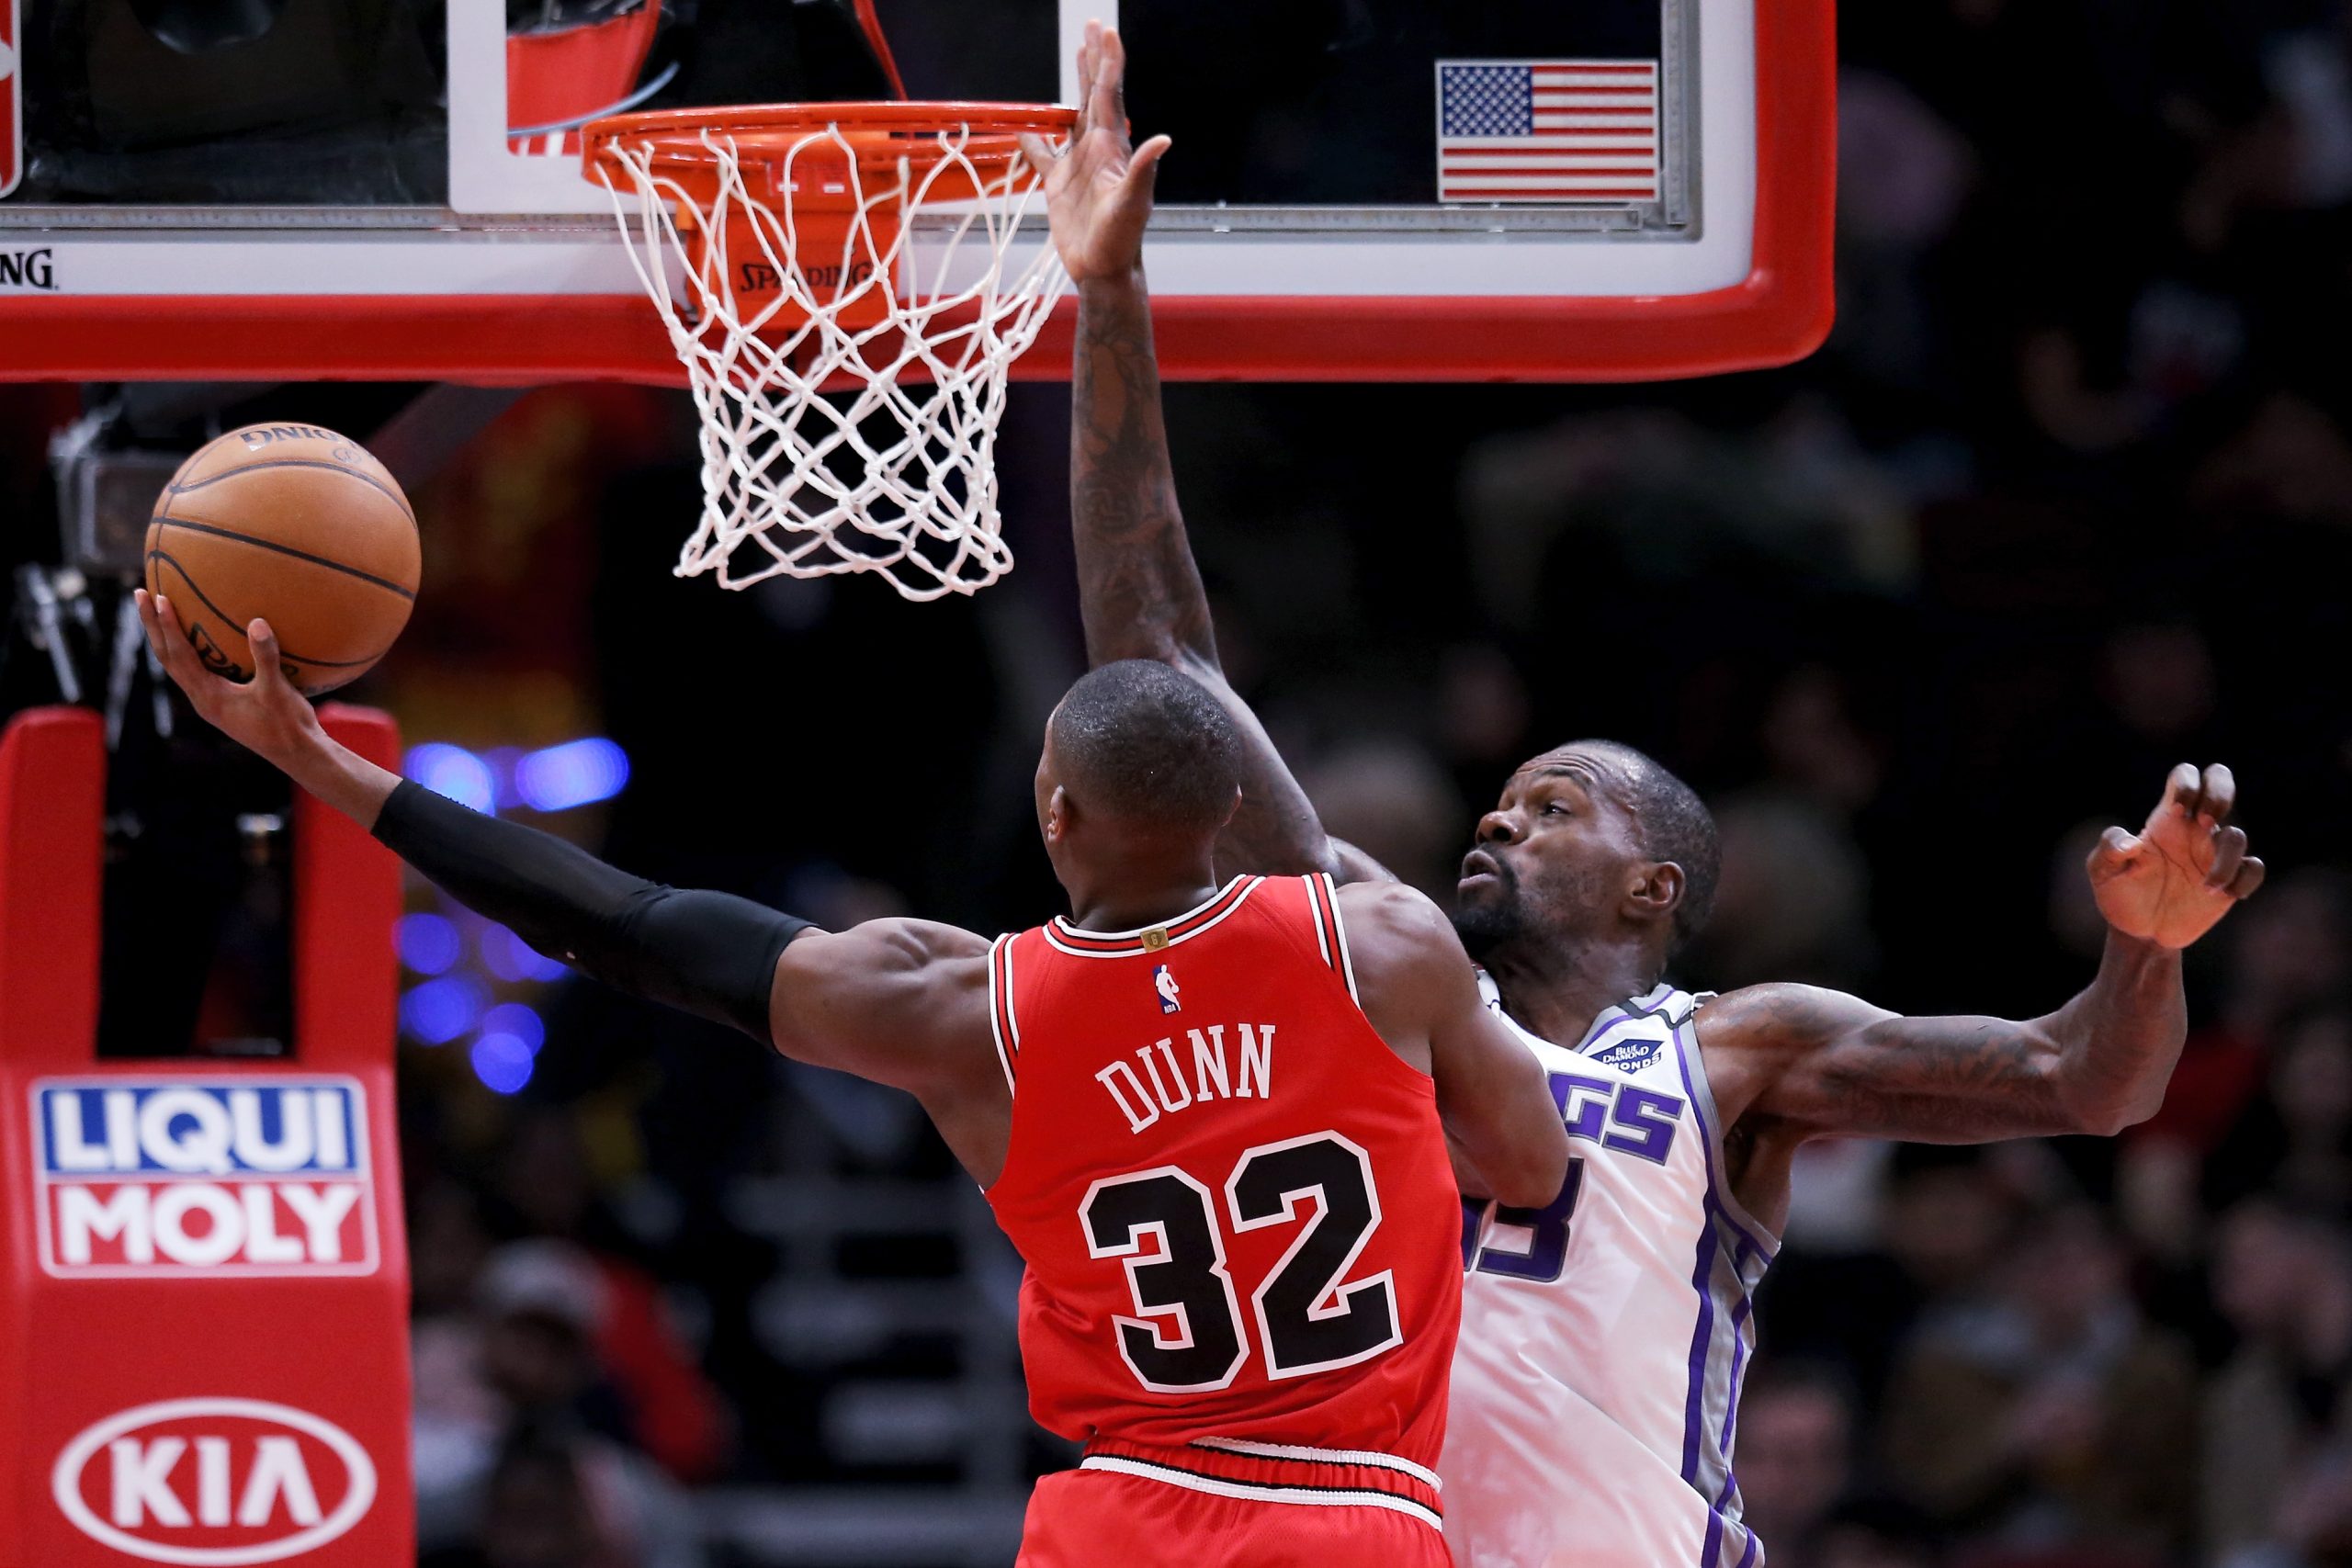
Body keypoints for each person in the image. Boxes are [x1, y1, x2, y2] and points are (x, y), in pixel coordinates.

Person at [1023, 23, 2267, 1566]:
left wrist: (2143, 950)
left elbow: (2086, 1082)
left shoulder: (1739, 1049)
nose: (1496, 820)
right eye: (1502, 801)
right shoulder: (1382, 958)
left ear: (1653, 886)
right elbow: (1163, 673)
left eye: (1553, 808)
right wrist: (1108, 294)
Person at [133, 588, 1568, 1563]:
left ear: (1053, 811)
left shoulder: (966, 1009)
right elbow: (1528, 1167)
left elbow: (626, 931)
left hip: (1131, 1518)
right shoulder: (1386, 945)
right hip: (1363, 1510)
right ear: (1234, 810)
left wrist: (330, 768)